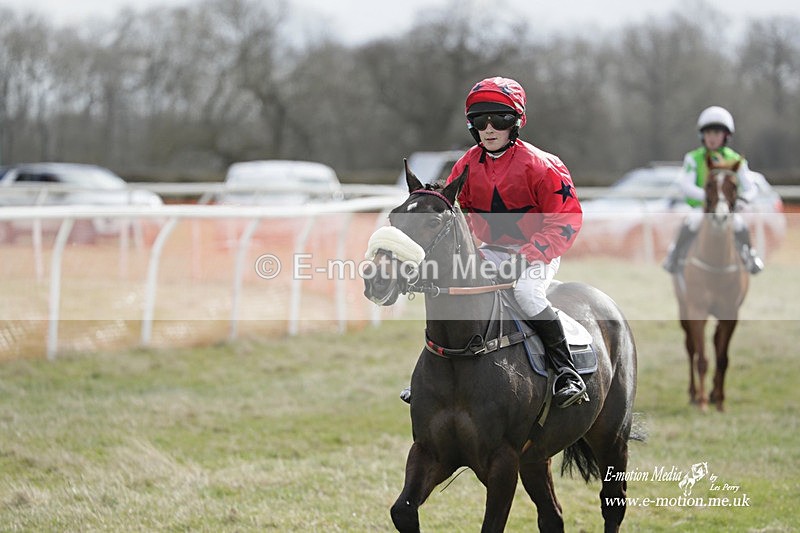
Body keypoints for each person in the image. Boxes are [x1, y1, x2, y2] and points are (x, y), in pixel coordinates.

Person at [400, 76, 586, 408]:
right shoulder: (466, 165)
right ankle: (429, 377)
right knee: (452, 291)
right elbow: (452, 212)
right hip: (488, 252)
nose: (489, 128)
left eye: (499, 119)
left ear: (516, 121)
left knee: (527, 294)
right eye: (479, 120)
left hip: (537, 253)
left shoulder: (543, 166)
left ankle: (565, 371)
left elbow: (566, 219)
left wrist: (528, 255)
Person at [662, 106, 764, 275]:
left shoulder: (736, 159)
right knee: (691, 222)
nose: (712, 137)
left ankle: (750, 255)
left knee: (740, 225)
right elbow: (685, 185)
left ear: (726, 135)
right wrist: (711, 198)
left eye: (716, 133)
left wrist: (742, 199)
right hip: (702, 209)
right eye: (708, 133)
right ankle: (674, 255)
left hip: (727, 210)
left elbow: (751, 187)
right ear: (702, 135)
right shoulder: (693, 158)